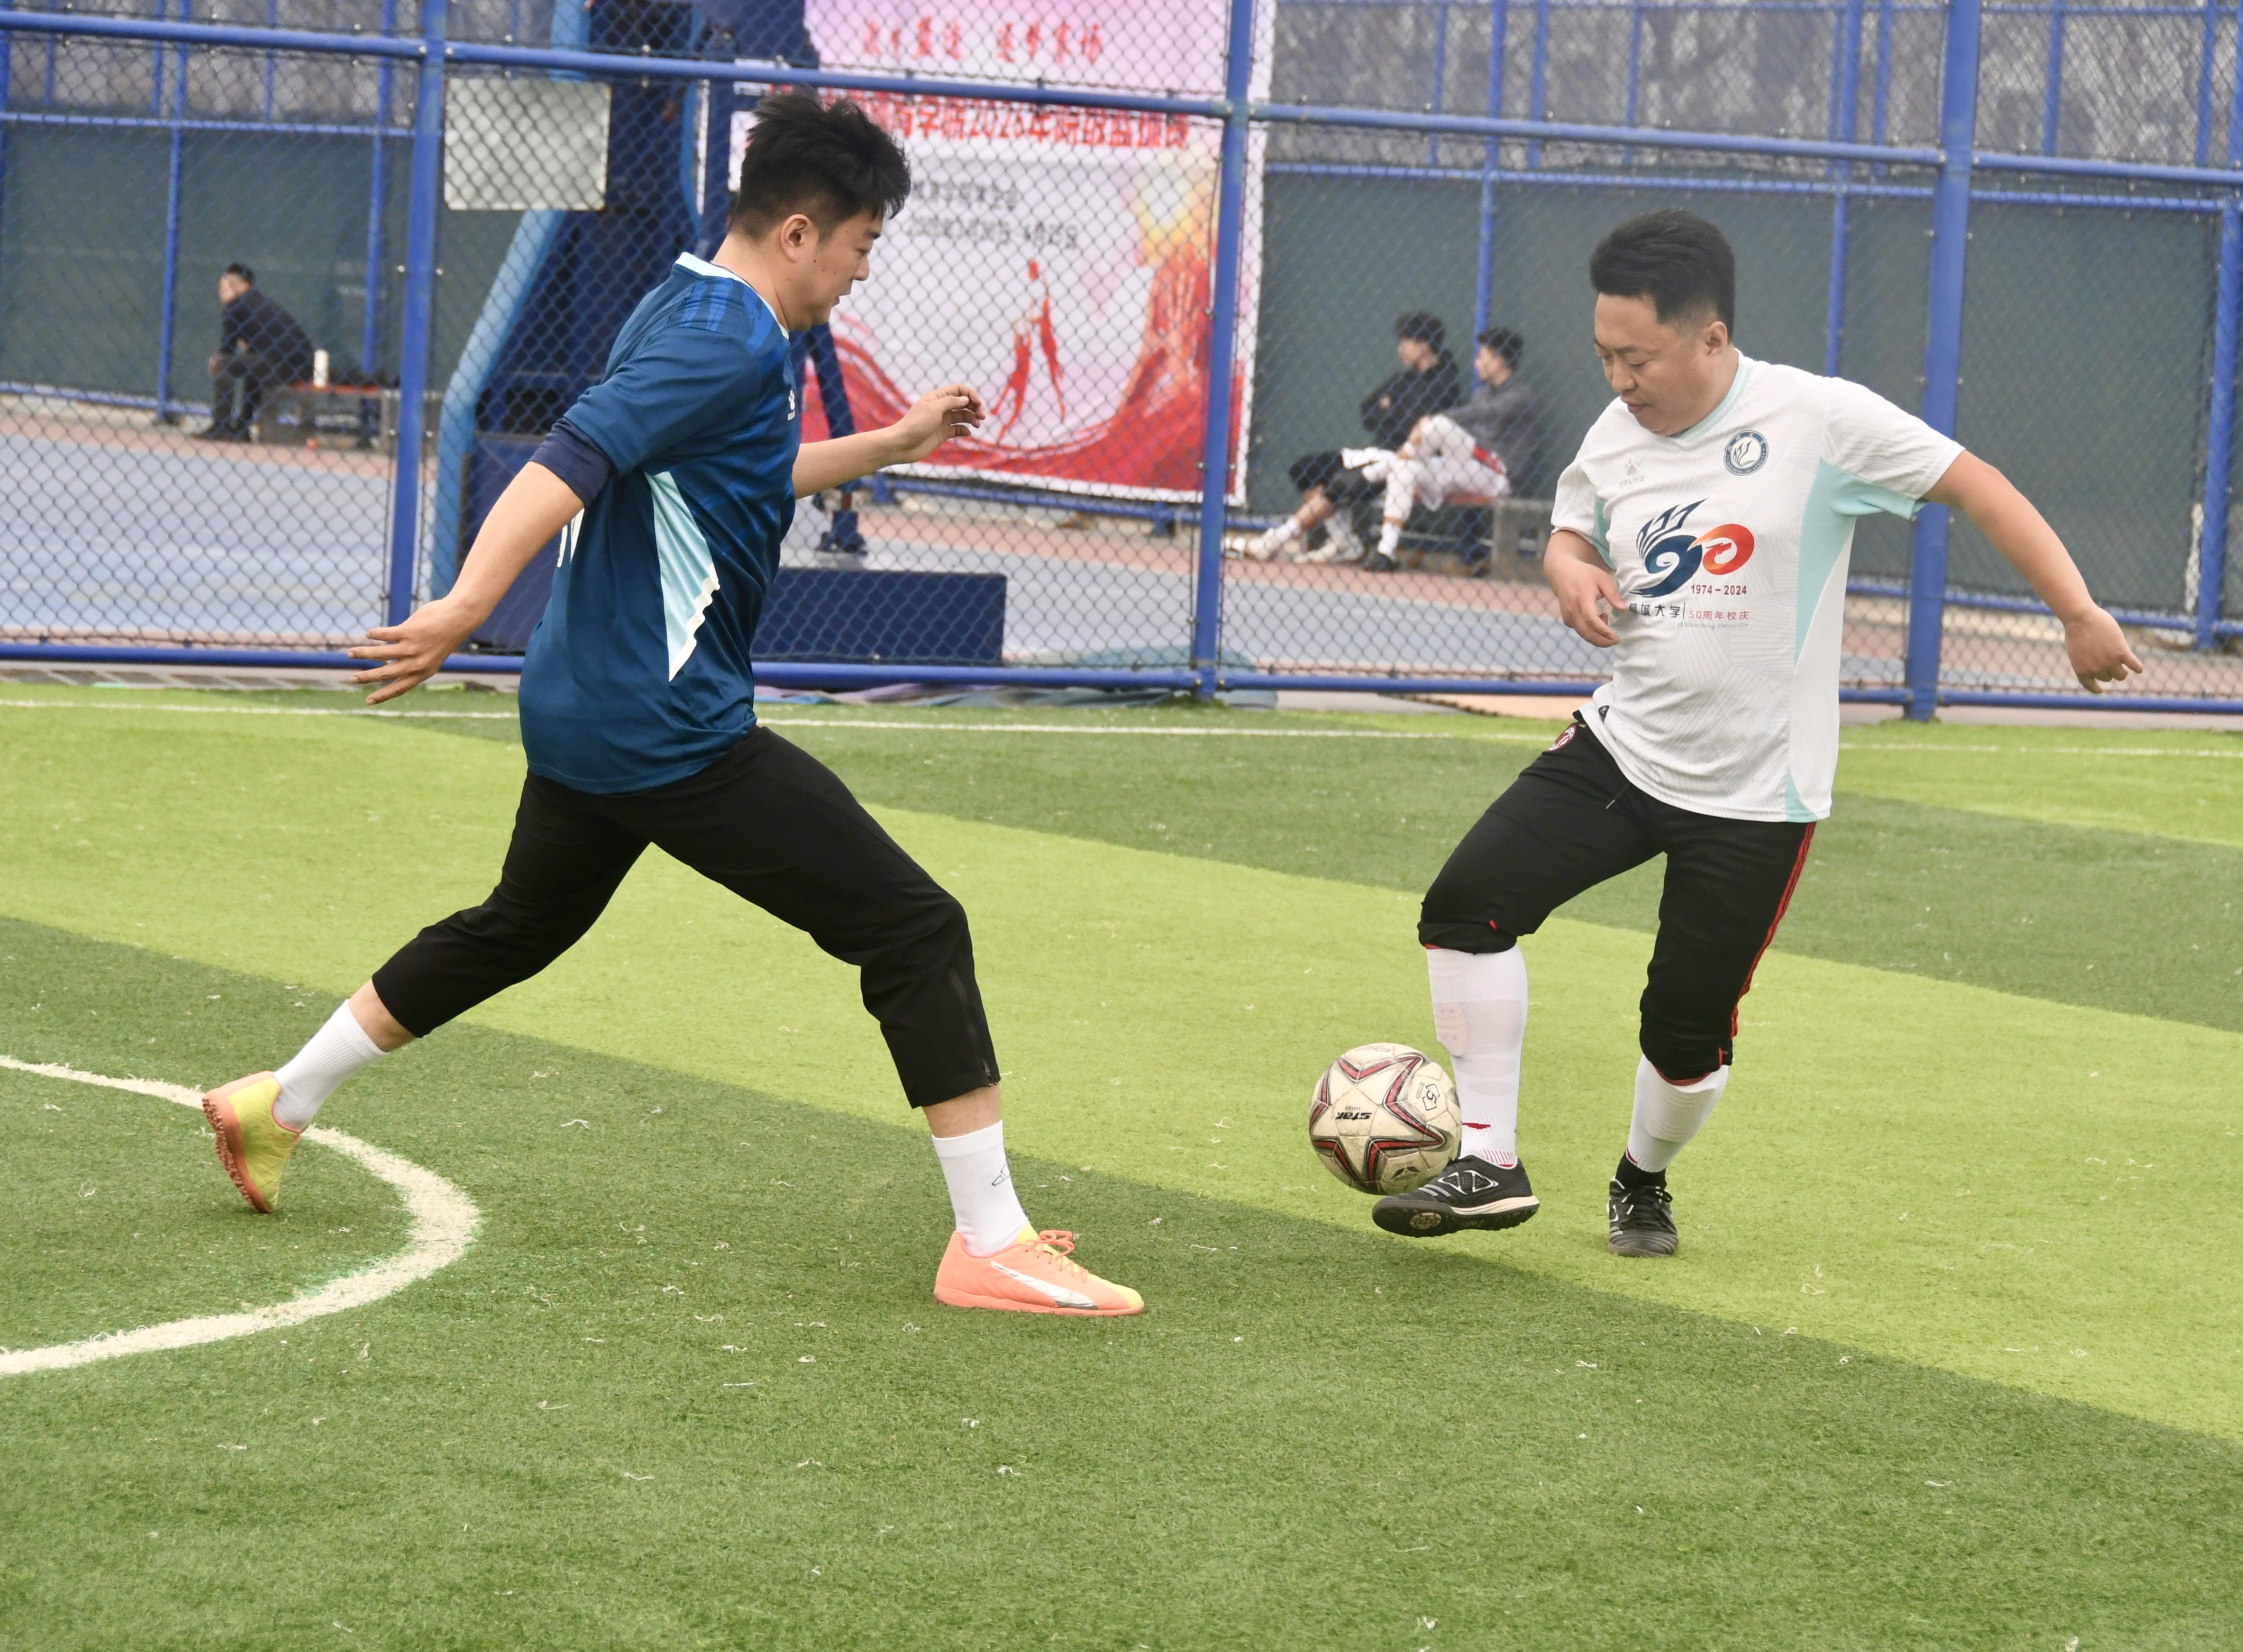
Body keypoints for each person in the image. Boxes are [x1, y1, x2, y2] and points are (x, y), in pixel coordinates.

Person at [195, 94, 1143, 1318]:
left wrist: (891, 443)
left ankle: (277, 1103)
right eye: (860, 246)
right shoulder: (727, 341)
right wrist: (464, 604)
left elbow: (737, 472)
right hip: (664, 726)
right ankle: (991, 1243)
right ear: (799, 233)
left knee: (517, 925)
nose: (861, 272)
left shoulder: (690, 302)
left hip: (586, 705)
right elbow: (566, 461)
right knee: (914, 927)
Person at [1372, 209, 2142, 1255]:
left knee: (1684, 1036)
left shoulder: (1818, 419)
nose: (1618, 379)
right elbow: (1570, 527)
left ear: (1711, 336)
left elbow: (1977, 486)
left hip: (1755, 796)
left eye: (1637, 358)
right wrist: (1566, 569)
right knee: (1466, 905)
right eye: (1603, 356)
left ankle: (1641, 1178)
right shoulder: (1616, 431)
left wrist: (2077, 612)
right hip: (1621, 749)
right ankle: (1488, 1160)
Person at [1231, 311, 1463, 564]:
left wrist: (1390, 409)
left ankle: (1274, 541)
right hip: (1375, 453)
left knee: (1342, 484)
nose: (1401, 349)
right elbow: (1368, 411)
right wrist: (1394, 413)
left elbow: (1413, 425)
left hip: (1403, 461)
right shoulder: (1404, 378)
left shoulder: (1445, 382)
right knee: (1305, 470)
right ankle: (1344, 542)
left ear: (1424, 345)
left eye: (1406, 342)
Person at [1366, 325, 1542, 572]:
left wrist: (1433, 421)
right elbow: (1469, 426)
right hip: (1465, 466)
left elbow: (1483, 414)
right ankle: (1386, 552)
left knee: (1439, 424)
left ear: (1499, 361)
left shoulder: (1522, 395)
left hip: (1497, 473)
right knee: (1405, 470)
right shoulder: (1482, 394)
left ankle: (1385, 465)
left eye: (1482, 357)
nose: (1477, 363)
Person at [196, 263, 315, 442]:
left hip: (281, 366)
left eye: (222, 287)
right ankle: (242, 428)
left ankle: (221, 426)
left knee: (224, 364)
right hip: (302, 367)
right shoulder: (259, 303)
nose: (220, 293)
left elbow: (227, 350)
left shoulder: (235, 305)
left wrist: (217, 359)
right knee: (251, 369)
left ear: (235, 286)